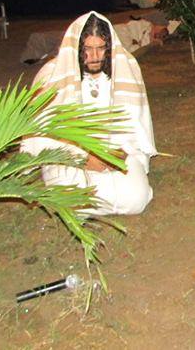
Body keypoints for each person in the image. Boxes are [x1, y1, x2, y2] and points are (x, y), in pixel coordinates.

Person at [20, 12, 155, 215]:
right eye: (87, 49)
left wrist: (114, 155)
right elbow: (43, 132)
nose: (95, 57)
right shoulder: (51, 75)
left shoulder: (126, 68)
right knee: (71, 200)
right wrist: (83, 157)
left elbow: (135, 125)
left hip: (116, 154)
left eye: (101, 48)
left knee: (135, 200)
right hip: (68, 157)